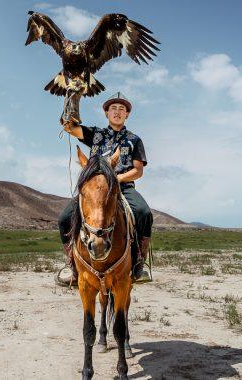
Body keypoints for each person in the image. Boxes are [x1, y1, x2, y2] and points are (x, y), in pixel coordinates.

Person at [56, 92, 153, 286]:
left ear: (127, 114)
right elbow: (69, 128)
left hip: (122, 186)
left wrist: (116, 178)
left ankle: (139, 264)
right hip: (95, 189)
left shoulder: (134, 140)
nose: (117, 112)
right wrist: (71, 103)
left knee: (144, 213)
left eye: (122, 109)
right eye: (113, 109)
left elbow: (138, 170)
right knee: (64, 218)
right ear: (107, 113)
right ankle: (73, 266)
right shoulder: (95, 134)